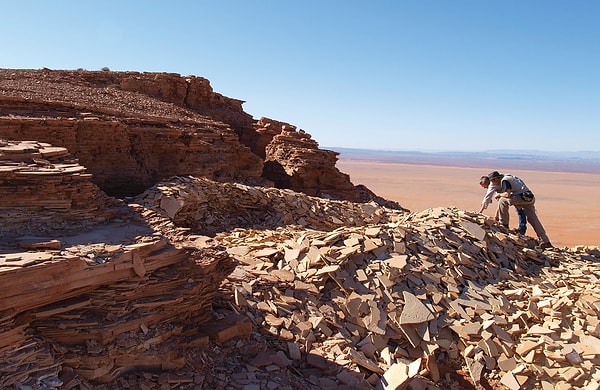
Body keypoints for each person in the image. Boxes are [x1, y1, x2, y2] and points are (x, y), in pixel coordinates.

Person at [488, 171, 553, 249]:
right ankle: (545, 241)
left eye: (493, 181)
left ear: (496, 179)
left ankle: (504, 224)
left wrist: (499, 195)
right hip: (529, 197)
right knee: (533, 219)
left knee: (502, 200)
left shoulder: (505, 181)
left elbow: (507, 194)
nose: (493, 183)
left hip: (522, 197)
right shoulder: (510, 177)